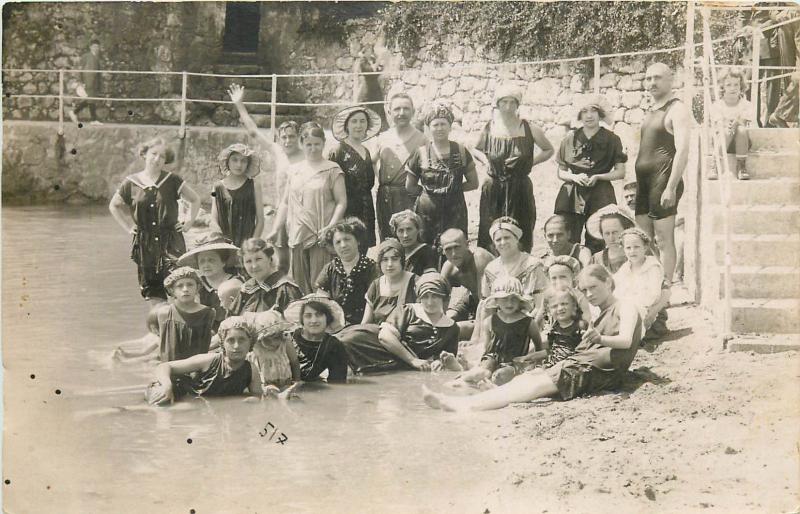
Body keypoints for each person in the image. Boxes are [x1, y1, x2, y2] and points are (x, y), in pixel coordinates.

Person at [422, 264, 642, 411]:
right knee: (528, 378)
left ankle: (463, 406)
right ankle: (478, 398)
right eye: (585, 290)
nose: (590, 294)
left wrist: (600, 339)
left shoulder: (627, 305)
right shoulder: (602, 312)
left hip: (598, 370)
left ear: (609, 282)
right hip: (582, 362)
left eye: (594, 287)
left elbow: (626, 341)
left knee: (535, 386)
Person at [109, 137, 200, 305]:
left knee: (179, 284)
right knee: (153, 290)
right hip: (145, 243)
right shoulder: (131, 183)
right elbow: (114, 206)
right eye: (154, 154)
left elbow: (195, 200)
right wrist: (129, 227)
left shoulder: (172, 180)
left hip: (171, 241)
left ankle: (181, 324)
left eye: (162, 156)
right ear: (144, 154)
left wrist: (187, 223)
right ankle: (160, 327)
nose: (157, 159)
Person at [228, 84, 302, 275]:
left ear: (299, 137)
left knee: (302, 262)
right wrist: (239, 104)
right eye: (284, 137)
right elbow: (253, 132)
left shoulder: (306, 156)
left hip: (302, 213)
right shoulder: (278, 151)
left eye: (292, 137)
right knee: (281, 263)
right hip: (281, 213)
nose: (288, 141)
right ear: (279, 138)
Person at [267, 122, 348, 293]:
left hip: (321, 234)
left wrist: (331, 227)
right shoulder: (294, 170)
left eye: (317, 144)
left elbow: (341, 202)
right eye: (308, 144)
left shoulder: (332, 169)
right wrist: (275, 229)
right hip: (297, 234)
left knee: (320, 282)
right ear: (302, 145)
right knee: (300, 283)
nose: (313, 148)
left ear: (323, 143)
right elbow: (285, 203)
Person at [474, 84, 554, 253]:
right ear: (497, 104)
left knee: (521, 230)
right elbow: (475, 149)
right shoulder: (489, 128)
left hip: (520, 188)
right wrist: (485, 161)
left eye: (512, 102)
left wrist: (531, 162)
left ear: (518, 105)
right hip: (493, 187)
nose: (508, 107)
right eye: (504, 102)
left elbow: (549, 150)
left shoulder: (529, 129)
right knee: (490, 231)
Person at [635, 62, 693, 284]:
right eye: (648, 78)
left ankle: (666, 288)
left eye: (658, 78)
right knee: (644, 239)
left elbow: (683, 150)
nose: (652, 83)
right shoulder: (650, 110)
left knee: (663, 238)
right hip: (644, 183)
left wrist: (670, 186)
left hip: (663, 181)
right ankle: (650, 284)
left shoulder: (676, 109)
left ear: (671, 80)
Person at [554, 94, 627, 252]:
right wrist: (574, 177)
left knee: (597, 238)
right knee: (569, 237)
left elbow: (620, 172)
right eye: (584, 111)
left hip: (601, 193)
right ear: (579, 115)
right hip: (572, 195)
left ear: (600, 114)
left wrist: (599, 177)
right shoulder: (570, 138)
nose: (589, 115)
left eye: (593, 111)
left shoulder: (612, 139)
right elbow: (561, 171)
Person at [405, 102, 479, 248]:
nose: (439, 128)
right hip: (427, 213)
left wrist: (453, 190)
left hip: (455, 211)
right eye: (435, 125)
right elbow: (410, 186)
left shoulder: (461, 151)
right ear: (428, 128)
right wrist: (428, 195)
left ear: (450, 126)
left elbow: (473, 183)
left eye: (443, 124)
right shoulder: (420, 153)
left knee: (454, 246)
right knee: (427, 248)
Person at [145, 316, 255, 405]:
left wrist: (255, 400)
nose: (236, 346)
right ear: (222, 343)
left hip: (203, 404)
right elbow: (164, 366)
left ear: (251, 342)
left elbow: (259, 396)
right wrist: (167, 386)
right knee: (167, 401)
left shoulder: (251, 369)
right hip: (177, 392)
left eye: (242, 340)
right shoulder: (209, 360)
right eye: (230, 340)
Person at [455, 277, 542, 387]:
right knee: (484, 369)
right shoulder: (489, 321)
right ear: (496, 300)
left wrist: (536, 364)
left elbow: (538, 345)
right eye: (504, 299)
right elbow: (486, 348)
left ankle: (487, 383)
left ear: (520, 301)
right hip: (492, 359)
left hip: (513, 363)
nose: (509, 303)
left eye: (513, 299)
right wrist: (479, 363)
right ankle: (470, 375)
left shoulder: (528, 322)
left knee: (500, 376)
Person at [373, 92, 428, 240]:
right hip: (385, 197)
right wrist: (382, 181)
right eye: (397, 109)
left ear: (413, 112)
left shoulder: (422, 139)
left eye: (406, 109)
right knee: (388, 238)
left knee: (409, 237)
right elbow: (372, 161)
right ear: (389, 112)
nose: (401, 113)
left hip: (409, 196)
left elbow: (428, 170)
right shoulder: (382, 137)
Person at [377, 273, 460, 371]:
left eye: (435, 296)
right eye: (425, 296)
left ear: (444, 298)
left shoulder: (452, 328)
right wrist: (413, 360)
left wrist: (439, 362)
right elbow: (384, 336)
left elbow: (446, 357)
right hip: (382, 358)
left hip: (406, 371)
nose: (430, 302)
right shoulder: (408, 311)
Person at [328, 105, 381, 249]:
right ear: (346, 125)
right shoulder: (338, 151)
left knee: (363, 250)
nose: (359, 125)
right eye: (354, 121)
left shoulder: (366, 151)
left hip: (366, 208)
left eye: (362, 121)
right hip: (347, 209)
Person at [315, 217, 379, 325]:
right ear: (334, 247)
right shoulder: (329, 269)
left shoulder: (371, 268)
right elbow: (322, 303)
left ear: (358, 241)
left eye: (347, 239)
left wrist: (360, 329)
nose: (343, 245)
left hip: (364, 325)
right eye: (338, 242)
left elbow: (373, 305)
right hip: (335, 326)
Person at [614, 228, 670, 337]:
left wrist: (632, 303)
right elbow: (618, 290)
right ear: (624, 250)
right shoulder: (625, 268)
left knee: (629, 318)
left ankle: (628, 336)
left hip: (650, 310)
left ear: (645, 247)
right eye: (628, 248)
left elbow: (654, 294)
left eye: (636, 247)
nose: (632, 251)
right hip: (630, 307)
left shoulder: (652, 266)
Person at [177, 233, 238, 331]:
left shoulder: (234, 283)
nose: (206, 265)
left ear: (223, 262)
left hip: (232, 329)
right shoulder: (198, 284)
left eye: (211, 260)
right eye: (202, 261)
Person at [284, 294, 350, 382]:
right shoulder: (287, 338)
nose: (314, 320)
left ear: (327, 318)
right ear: (302, 320)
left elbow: (337, 385)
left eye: (319, 315)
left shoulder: (334, 346)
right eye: (308, 316)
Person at [230, 238, 302, 315]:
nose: (254, 266)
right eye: (248, 261)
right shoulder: (246, 290)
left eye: (258, 259)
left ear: (270, 259)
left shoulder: (285, 288)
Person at [157, 267, 216, 362]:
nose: (185, 289)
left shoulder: (208, 313)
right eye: (180, 286)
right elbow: (163, 345)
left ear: (198, 287)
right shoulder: (164, 313)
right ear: (172, 290)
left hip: (197, 366)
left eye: (190, 285)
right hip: (171, 367)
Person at [211, 143, 265, 246]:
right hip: (224, 243)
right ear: (227, 161)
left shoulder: (254, 185)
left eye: (243, 161)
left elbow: (260, 220)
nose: (239, 165)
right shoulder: (217, 187)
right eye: (235, 160)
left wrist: (252, 244)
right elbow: (213, 219)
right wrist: (219, 239)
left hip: (247, 243)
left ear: (248, 163)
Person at [439, 228, 494, 323]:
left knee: (461, 329)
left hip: (495, 304)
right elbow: (439, 297)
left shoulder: (479, 258)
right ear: (442, 251)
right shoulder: (448, 267)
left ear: (467, 244)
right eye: (448, 249)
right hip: (472, 300)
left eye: (457, 247)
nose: (453, 254)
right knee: (449, 318)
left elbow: (485, 298)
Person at [709, 69, 754, 180]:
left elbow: (744, 120)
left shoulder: (746, 104)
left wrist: (736, 123)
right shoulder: (717, 105)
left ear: (741, 86)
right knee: (726, 130)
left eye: (736, 85)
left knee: (741, 129)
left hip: (741, 143)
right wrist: (726, 124)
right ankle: (716, 164)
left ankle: (741, 165)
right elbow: (718, 122)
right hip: (722, 141)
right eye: (728, 85)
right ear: (722, 87)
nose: (733, 88)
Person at [361, 239, 417, 325]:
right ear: (379, 263)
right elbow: (366, 323)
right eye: (385, 259)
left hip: (408, 334)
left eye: (394, 259)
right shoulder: (376, 285)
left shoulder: (415, 282)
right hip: (378, 334)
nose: (389, 264)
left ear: (402, 261)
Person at [246, 310, 301, 397]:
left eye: (277, 337)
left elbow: (295, 363)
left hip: (286, 382)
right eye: (269, 339)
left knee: (291, 396)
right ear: (260, 339)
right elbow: (249, 373)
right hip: (265, 385)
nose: (274, 342)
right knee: (270, 395)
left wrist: (297, 382)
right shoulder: (256, 349)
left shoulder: (285, 343)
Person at [586, 204, 636, 274]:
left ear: (626, 231)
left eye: (615, 232)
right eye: (607, 233)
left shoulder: (636, 255)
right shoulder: (597, 259)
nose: (611, 238)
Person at [389, 210, 438, 276]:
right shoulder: (396, 254)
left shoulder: (427, 252)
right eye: (401, 231)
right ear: (396, 233)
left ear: (418, 230)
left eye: (409, 229)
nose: (405, 235)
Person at [68, 39, 103, 125]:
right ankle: (93, 119)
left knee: (90, 100)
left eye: (97, 47)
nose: (96, 48)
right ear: (90, 47)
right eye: (94, 46)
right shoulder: (86, 56)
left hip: (94, 82)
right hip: (88, 81)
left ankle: (74, 112)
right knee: (91, 100)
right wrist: (80, 81)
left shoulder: (97, 57)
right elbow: (80, 69)